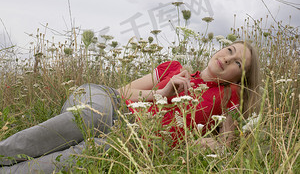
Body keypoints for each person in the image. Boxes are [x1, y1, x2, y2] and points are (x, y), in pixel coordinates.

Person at [0, 40, 260, 173]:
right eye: (229, 49)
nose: (227, 58)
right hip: (106, 101)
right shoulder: (174, 68)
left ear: (241, 78)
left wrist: (210, 145)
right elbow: (123, 92)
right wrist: (160, 93)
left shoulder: (229, 97)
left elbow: (227, 145)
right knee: (92, 118)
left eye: (237, 63)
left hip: (130, 138)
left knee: (83, 155)